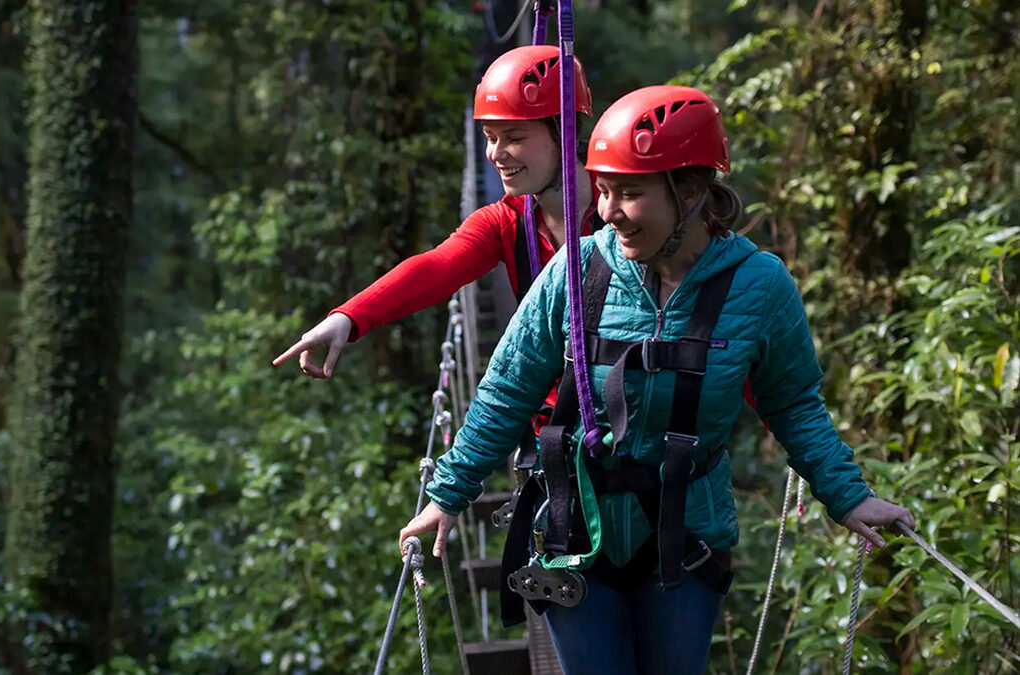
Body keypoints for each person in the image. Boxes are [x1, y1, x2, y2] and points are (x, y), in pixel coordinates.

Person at [399, 84, 915, 675]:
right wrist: (447, 495)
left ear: (691, 193)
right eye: (605, 189)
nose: (608, 211)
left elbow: (792, 403)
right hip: (575, 532)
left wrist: (848, 497)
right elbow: (508, 388)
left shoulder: (760, 286)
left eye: (630, 192)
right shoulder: (577, 271)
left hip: (687, 537)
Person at [271, 45, 599, 377]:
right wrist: (348, 317)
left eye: (513, 138)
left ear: (565, 132)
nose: (496, 155)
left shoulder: (626, 211)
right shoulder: (507, 223)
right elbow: (435, 268)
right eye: (489, 138)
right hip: (552, 416)